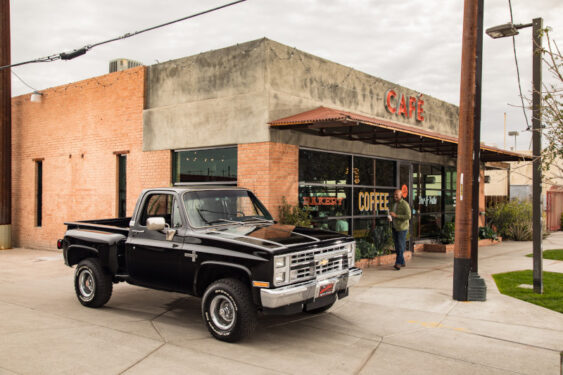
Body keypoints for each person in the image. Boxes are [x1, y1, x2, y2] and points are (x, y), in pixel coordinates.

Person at [389, 189, 411, 270]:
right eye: (394, 195)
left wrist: (396, 216)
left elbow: (408, 216)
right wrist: (390, 217)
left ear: (401, 195)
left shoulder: (405, 204)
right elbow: (391, 213)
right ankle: (402, 262)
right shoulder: (393, 204)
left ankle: (398, 263)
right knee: (397, 246)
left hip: (402, 228)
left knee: (400, 246)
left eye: (396, 195)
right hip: (394, 227)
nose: (395, 196)